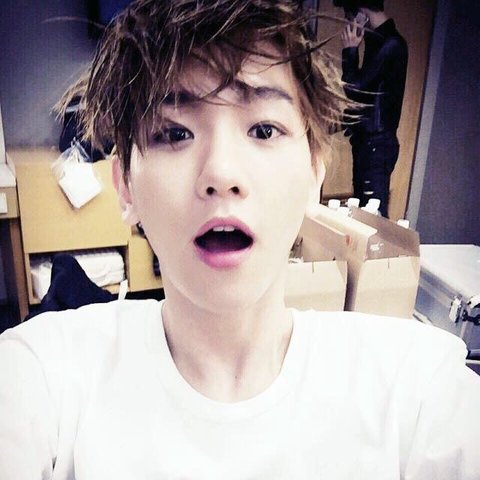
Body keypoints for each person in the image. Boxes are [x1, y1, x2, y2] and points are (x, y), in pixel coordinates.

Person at [0, 1, 479, 479]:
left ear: (315, 170)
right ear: (125, 185)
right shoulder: (43, 375)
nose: (222, 173)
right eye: (175, 133)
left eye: (264, 129)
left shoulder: (415, 389)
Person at [338, 0, 408, 217]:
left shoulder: (391, 45)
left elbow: (355, 88)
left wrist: (350, 50)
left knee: (373, 216)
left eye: (350, 18)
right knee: (364, 212)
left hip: (376, 145)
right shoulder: (380, 42)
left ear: (361, 15)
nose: (350, 24)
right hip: (371, 143)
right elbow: (370, 96)